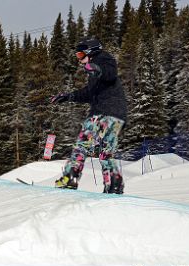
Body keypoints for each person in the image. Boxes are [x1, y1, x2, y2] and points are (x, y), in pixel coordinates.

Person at [49, 37, 129, 195]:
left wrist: (97, 69)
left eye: (80, 55)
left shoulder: (103, 59)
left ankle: (70, 177)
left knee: (82, 145)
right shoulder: (94, 72)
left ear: (90, 51)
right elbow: (88, 93)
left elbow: (110, 73)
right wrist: (69, 96)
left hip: (103, 113)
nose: (79, 60)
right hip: (116, 115)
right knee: (106, 152)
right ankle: (114, 183)